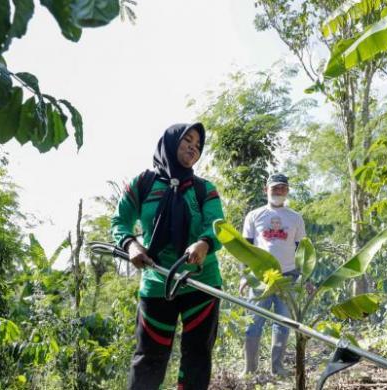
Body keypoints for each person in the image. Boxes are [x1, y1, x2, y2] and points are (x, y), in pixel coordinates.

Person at [111, 123, 225, 390]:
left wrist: (203, 243)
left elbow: (217, 226)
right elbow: (120, 221)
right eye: (188, 140)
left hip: (201, 282)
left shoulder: (205, 189)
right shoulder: (142, 184)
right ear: (170, 142)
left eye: (198, 145)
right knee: (149, 357)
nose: (193, 148)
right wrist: (131, 245)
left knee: (197, 357)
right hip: (156, 283)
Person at [240, 173, 306, 376]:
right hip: (260, 279)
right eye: (274, 188)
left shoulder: (295, 218)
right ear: (265, 190)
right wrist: (244, 276)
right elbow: (245, 249)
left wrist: (306, 277)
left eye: (282, 188)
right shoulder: (254, 215)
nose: (278, 192)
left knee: (283, 325)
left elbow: (303, 250)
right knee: (253, 326)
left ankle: (277, 368)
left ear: (287, 191)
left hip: (288, 277)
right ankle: (250, 369)